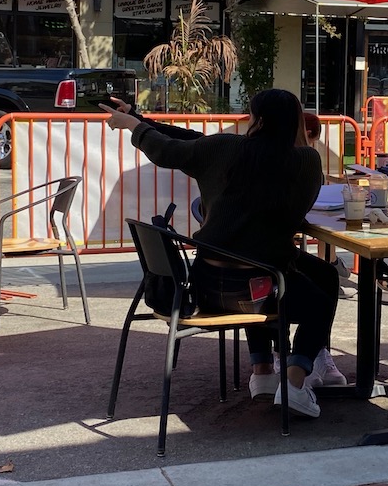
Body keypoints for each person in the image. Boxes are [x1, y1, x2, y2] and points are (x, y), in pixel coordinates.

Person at [103, 90, 343, 416]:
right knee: (319, 301)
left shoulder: (223, 149)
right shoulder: (306, 162)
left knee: (304, 272)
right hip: (259, 289)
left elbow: (174, 148)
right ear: (297, 123)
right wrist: (137, 119)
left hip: (204, 285)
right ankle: (295, 380)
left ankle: (263, 373)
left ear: (256, 119)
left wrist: (135, 124)